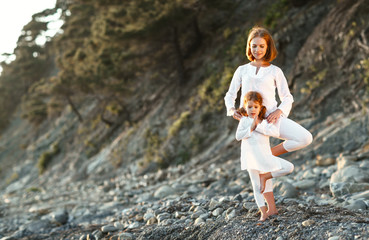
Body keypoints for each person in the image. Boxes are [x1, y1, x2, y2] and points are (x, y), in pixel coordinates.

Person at [224, 26, 312, 220]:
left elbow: (287, 97)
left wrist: (280, 110)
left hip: (272, 118)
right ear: (249, 46)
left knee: (305, 137)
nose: (257, 50)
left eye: (261, 46)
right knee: (260, 169)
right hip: (252, 121)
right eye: (254, 46)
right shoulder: (242, 70)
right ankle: (270, 209)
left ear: (267, 47)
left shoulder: (275, 71)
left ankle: (270, 155)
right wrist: (233, 112)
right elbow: (230, 95)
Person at [235, 91, 294, 221]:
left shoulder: (265, 122)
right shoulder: (244, 120)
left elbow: (273, 131)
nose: (252, 109)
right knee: (256, 187)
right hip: (251, 158)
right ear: (245, 106)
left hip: (265, 156)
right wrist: (251, 127)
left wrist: (258, 126)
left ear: (260, 107)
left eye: (255, 107)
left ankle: (265, 176)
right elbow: (238, 136)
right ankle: (263, 212)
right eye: (249, 107)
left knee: (289, 167)